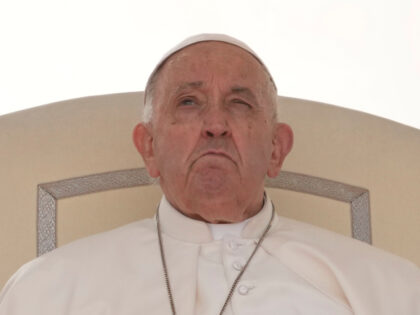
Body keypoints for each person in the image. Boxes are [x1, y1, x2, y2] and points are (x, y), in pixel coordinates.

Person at [0, 34, 419, 315]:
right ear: (149, 148)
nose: (215, 124)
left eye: (239, 103)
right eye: (188, 102)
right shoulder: (48, 291)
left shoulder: (388, 290)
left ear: (276, 150)